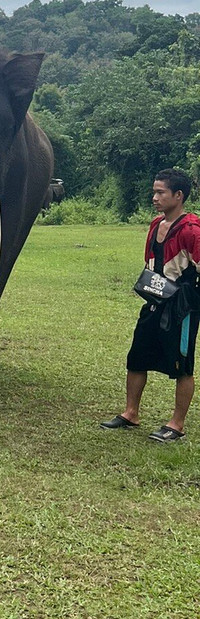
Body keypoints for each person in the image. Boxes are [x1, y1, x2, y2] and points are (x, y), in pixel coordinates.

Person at [101, 168, 200, 441]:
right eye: (154, 192)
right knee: (137, 357)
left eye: (160, 192)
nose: (154, 197)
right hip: (154, 301)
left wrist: (188, 298)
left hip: (181, 308)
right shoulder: (156, 225)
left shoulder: (192, 230)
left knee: (182, 364)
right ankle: (131, 412)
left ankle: (176, 424)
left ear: (178, 196)